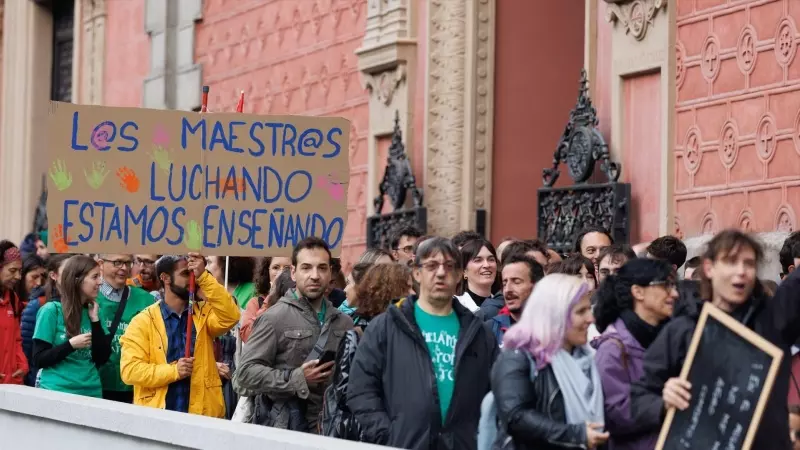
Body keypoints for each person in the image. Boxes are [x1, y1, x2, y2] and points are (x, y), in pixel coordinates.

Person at [630, 229, 800, 449]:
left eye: (748, 264)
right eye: (731, 262)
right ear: (709, 268)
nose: (741, 271)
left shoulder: (772, 322)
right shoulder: (684, 330)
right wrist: (663, 401)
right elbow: (637, 400)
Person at [347, 237, 499, 450]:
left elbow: (496, 393)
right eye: (431, 265)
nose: (440, 273)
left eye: (449, 266)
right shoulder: (386, 327)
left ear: (458, 275)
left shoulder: (479, 333)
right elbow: (360, 390)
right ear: (416, 273)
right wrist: (388, 435)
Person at [234, 237, 354, 431]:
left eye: (322, 268)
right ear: (293, 272)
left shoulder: (344, 322)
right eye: (306, 268)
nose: (315, 275)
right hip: (286, 432)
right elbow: (244, 377)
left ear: (330, 272)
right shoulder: (274, 318)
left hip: (333, 432)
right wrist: (297, 378)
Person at [490, 274, 608, 450]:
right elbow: (516, 417)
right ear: (556, 315)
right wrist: (576, 435)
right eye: (580, 311)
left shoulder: (588, 359)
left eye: (588, 309)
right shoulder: (518, 357)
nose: (590, 318)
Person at [120, 253, 240, 416]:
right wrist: (174, 371)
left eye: (194, 274)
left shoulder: (203, 313)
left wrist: (203, 276)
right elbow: (130, 370)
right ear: (165, 278)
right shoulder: (142, 321)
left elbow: (231, 316)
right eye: (185, 274)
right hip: (159, 416)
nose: (193, 279)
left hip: (201, 416)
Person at [591, 258, 677, 450]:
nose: (674, 294)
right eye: (665, 286)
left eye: (673, 286)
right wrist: (663, 406)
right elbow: (614, 413)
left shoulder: (667, 338)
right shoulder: (613, 349)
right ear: (638, 292)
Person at [321, 263, 413, 440]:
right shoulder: (357, 336)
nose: (413, 294)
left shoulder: (410, 332)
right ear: (391, 291)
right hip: (364, 435)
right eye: (408, 287)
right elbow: (345, 395)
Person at [33, 255, 111, 397]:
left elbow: (102, 358)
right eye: (95, 277)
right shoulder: (51, 310)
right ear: (77, 279)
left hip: (91, 392)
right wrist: (70, 345)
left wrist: (95, 321)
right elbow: (39, 359)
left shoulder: (95, 310)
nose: (100, 282)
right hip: (57, 391)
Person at [96, 254, 156, 403]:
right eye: (117, 262)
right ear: (101, 264)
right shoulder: (88, 296)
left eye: (128, 263)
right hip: (95, 384)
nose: (124, 268)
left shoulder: (147, 300)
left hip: (133, 387)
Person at [21, 253, 72, 386]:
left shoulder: (88, 308)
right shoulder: (40, 305)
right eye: (67, 272)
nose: (38, 282)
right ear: (54, 275)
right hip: (42, 382)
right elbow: (27, 351)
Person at [486, 253, 543, 345]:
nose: (508, 289)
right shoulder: (490, 329)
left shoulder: (553, 329)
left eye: (516, 282)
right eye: (505, 283)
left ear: (537, 287)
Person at [240, 268, 295, 344]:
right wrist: (270, 298)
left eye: (286, 267)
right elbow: (247, 336)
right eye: (276, 267)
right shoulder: (257, 303)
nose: (280, 271)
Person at [0, 241, 27, 385]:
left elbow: (16, 339)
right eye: (12, 270)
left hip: (11, 383)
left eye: (20, 271)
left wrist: (22, 364)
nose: (18, 276)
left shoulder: (13, 299)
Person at [456, 239, 501, 312]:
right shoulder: (456, 306)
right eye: (478, 260)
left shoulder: (503, 304)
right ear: (464, 271)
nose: (487, 265)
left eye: (491, 259)